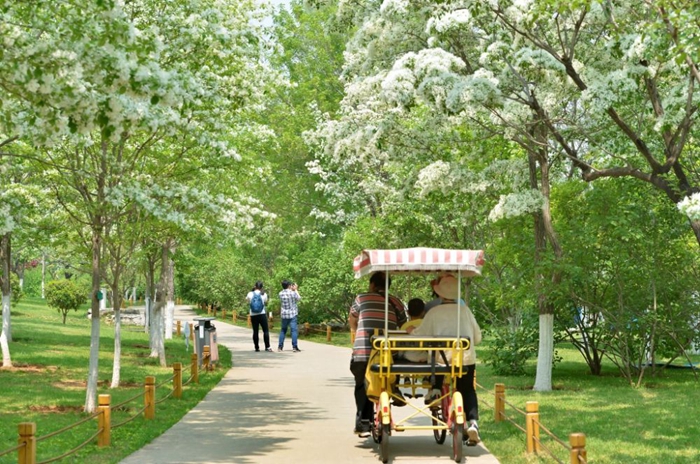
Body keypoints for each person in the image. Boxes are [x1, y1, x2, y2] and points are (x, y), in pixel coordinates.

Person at [406, 274, 482, 445]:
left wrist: (411, 331)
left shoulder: (433, 312)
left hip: (441, 361)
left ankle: (435, 390)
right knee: (468, 390)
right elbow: (477, 339)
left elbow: (421, 336)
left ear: (440, 293)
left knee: (435, 360)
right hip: (465, 360)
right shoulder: (466, 311)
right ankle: (473, 424)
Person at [349, 271, 407, 435]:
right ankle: (394, 388)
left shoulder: (361, 298)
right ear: (388, 286)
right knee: (392, 368)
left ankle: (363, 423)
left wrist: (357, 331)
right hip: (388, 354)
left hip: (363, 352)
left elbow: (352, 320)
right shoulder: (396, 302)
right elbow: (404, 325)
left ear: (372, 285)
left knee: (362, 383)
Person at [246, 281, 272, 352]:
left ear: (255, 286)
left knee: (255, 331)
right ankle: (267, 347)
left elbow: (247, 300)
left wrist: (252, 291)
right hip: (262, 314)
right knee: (265, 331)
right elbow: (266, 301)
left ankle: (257, 348)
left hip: (253, 315)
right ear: (261, 287)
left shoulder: (250, 294)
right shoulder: (264, 294)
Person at [278, 280, 301, 352]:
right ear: (289, 285)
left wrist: (291, 289)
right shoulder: (292, 293)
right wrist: (295, 289)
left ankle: (280, 346)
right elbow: (299, 298)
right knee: (294, 330)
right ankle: (294, 346)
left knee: (283, 330)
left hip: (284, 314)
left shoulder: (280, 293)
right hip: (292, 314)